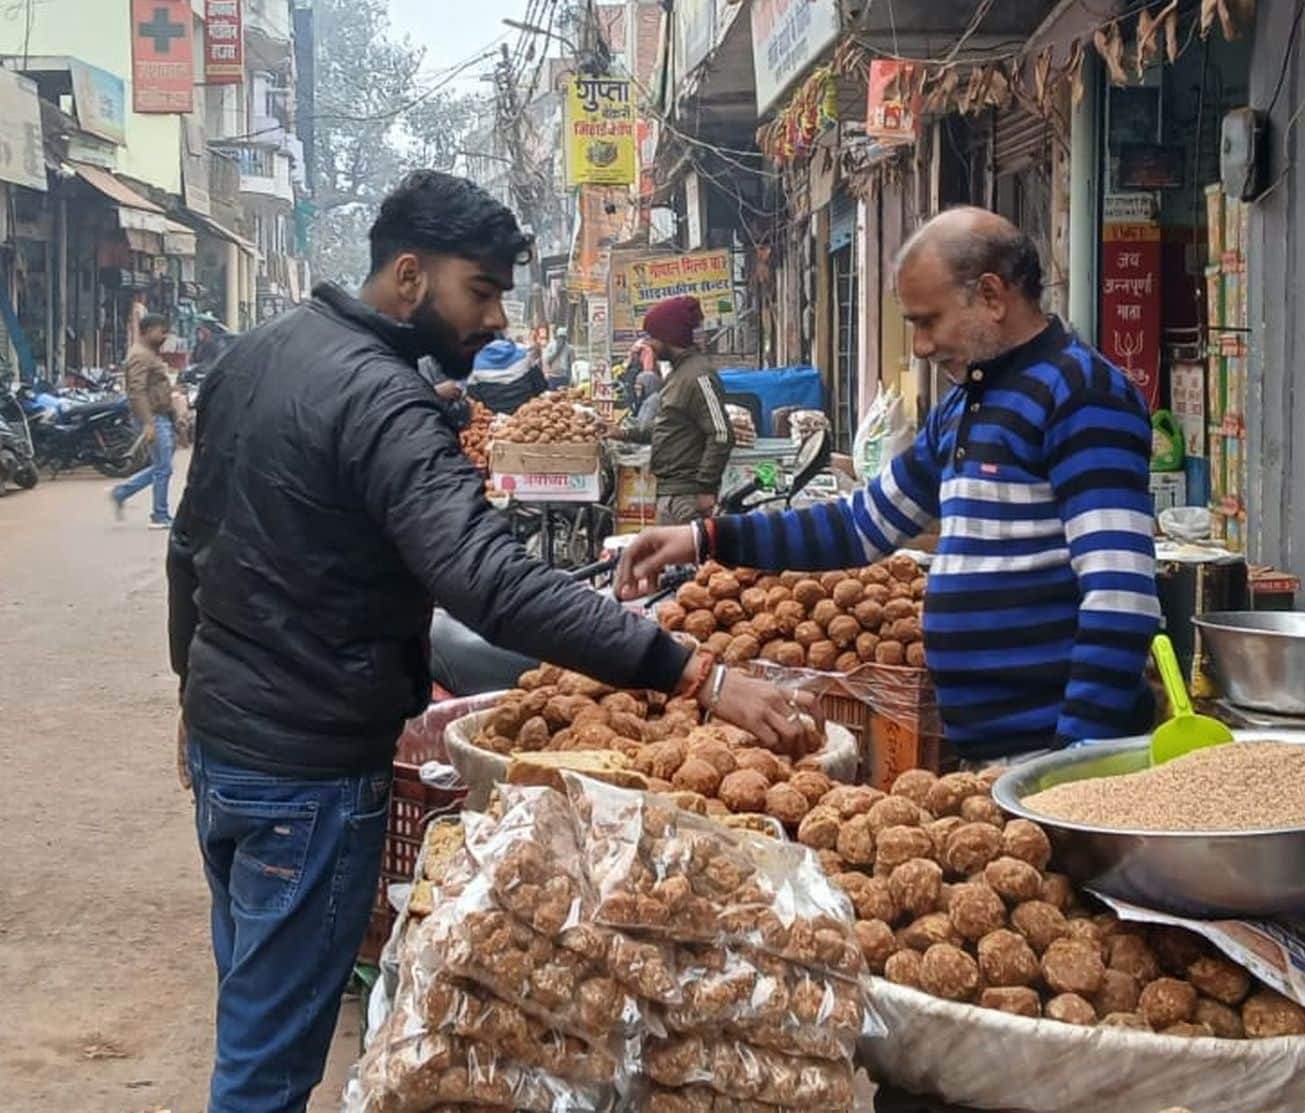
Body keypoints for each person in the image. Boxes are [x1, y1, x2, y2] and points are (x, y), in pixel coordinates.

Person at [167, 170, 809, 1112]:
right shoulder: (385, 402)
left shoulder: (259, 353)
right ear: (411, 274)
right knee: (267, 1062)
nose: (498, 318)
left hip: (231, 747)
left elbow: (192, 546)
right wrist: (699, 674)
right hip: (306, 768)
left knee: (252, 1005)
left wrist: (190, 697)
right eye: (483, 289)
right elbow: (491, 582)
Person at [617, 208, 1162, 760]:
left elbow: (1120, 597)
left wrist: (1074, 762)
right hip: (991, 750)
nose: (921, 346)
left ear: (993, 296)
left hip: (1050, 752)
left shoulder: (1081, 393)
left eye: (929, 321)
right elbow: (861, 525)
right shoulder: (967, 403)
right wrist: (703, 538)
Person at [623, 295, 734, 525]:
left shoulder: (698, 375)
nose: (649, 343)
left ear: (668, 336)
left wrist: (706, 488)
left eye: (652, 336)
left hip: (687, 496)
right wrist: (623, 433)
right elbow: (669, 426)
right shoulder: (677, 374)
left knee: (693, 560)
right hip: (671, 492)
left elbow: (721, 433)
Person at [112, 312, 177, 529]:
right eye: (161, 331)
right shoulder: (140, 355)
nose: (164, 335)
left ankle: (122, 492)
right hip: (154, 417)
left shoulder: (149, 353)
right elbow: (136, 391)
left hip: (161, 416)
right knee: (163, 467)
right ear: (148, 331)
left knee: (162, 466)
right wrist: (148, 422)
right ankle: (159, 515)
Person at [467, 337, 548, 414]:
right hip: (529, 418)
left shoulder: (472, 365)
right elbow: (541, 387)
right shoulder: (525, 353)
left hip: (495, 423)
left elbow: (476, 403)